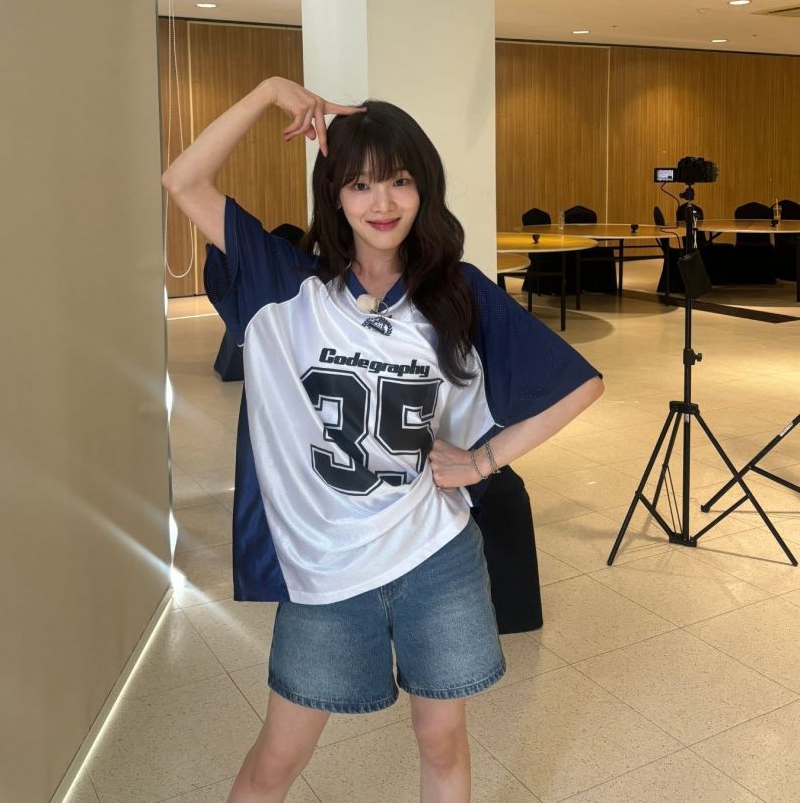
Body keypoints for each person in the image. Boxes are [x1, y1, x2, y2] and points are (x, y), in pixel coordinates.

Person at [162, 76, 603, 803]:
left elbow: (579, 385)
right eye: (360, 184)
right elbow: (183, 181)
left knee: (442, 742)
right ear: (334, 195)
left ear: (423, 187)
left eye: (399, 181)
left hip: (436, 556)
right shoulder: (285, 286)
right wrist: (270, 92)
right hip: (323, 568)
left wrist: (485, 460)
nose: (383, 202)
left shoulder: (455, 292)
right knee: (278, 756)